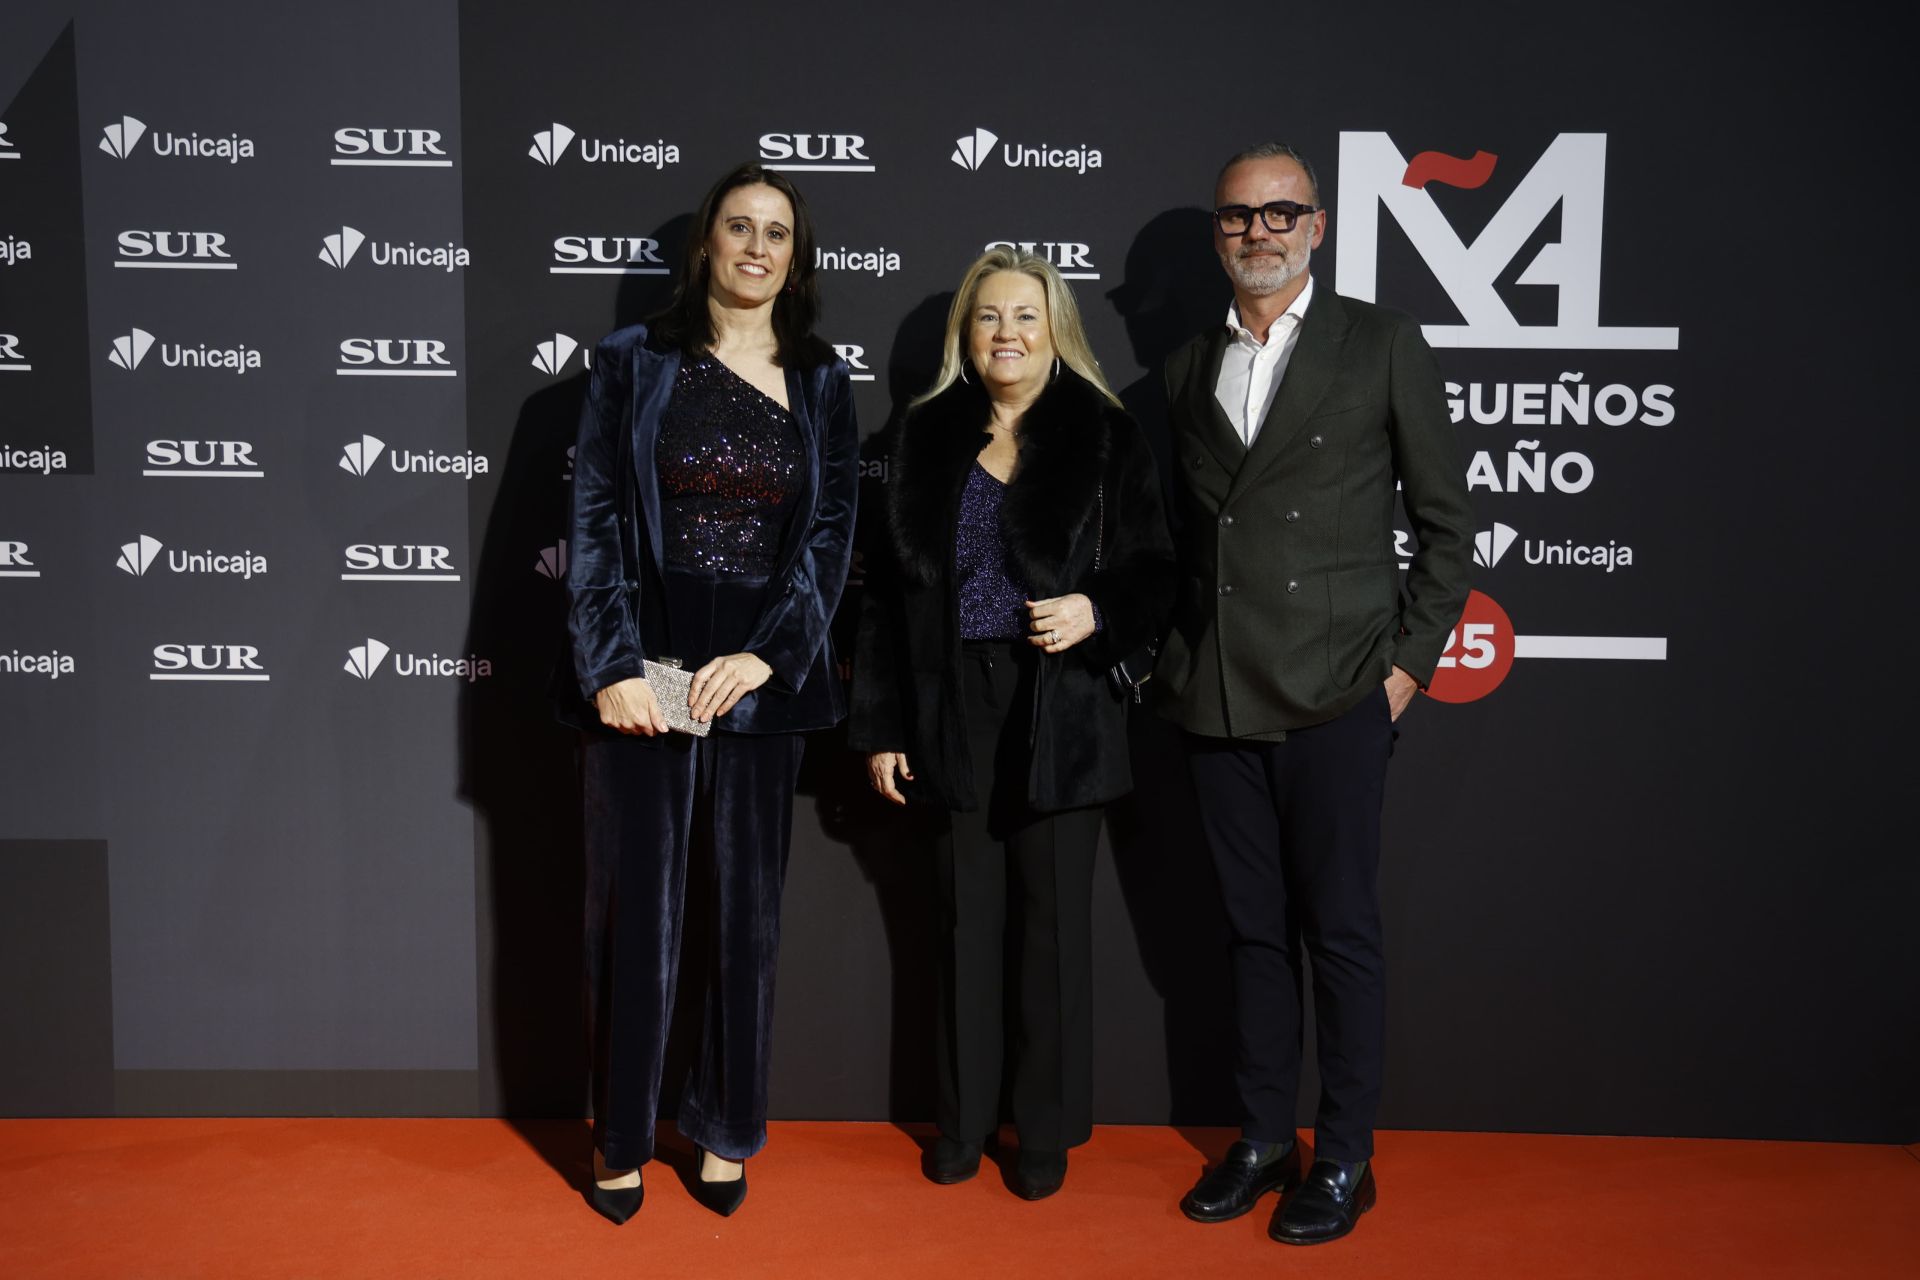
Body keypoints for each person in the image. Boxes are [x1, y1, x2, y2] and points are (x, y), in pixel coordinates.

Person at [1158, 143, 1473, 1244]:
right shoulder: (1188, 364)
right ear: (1219, 234)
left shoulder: (1379, 345)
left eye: (1280, 213)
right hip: (1217, 697)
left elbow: (1447, 529)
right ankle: (1260, 1135)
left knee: (1337, 931)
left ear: (1318, 225)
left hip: (1338, 693)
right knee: (1251, 931)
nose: (1260, 231)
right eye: (1240, 216)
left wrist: (1402, 670)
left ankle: (1342, 1153)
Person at [563, 162, 858, 1225]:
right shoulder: (634, 362)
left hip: (757, 681)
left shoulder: (822, 378)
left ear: (797, 254)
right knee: (636, 916)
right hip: (647, 666)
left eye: (777, 232)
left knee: (747, 920)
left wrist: (772, 653)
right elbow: (596, 519)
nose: (757, 247)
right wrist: (611, 664)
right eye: (739, 226)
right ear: (707, 242)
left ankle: (727, 1126)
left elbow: (829, 541)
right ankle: (623, 1135)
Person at [848, 247, 1174, 1200]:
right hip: (953, 701)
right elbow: (885, 601)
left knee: (1050, 929)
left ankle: (1044, 1130)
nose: (1007, 334)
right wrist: (881, 726)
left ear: (1055, 327)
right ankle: (960, 1122)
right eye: (989, 317)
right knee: (964, 921)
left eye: (1025, 316)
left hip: (1061, 703)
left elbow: (1158, 569)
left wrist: (1094, 609)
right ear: (966, 332)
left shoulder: (1106, 436)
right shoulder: (923, 438)